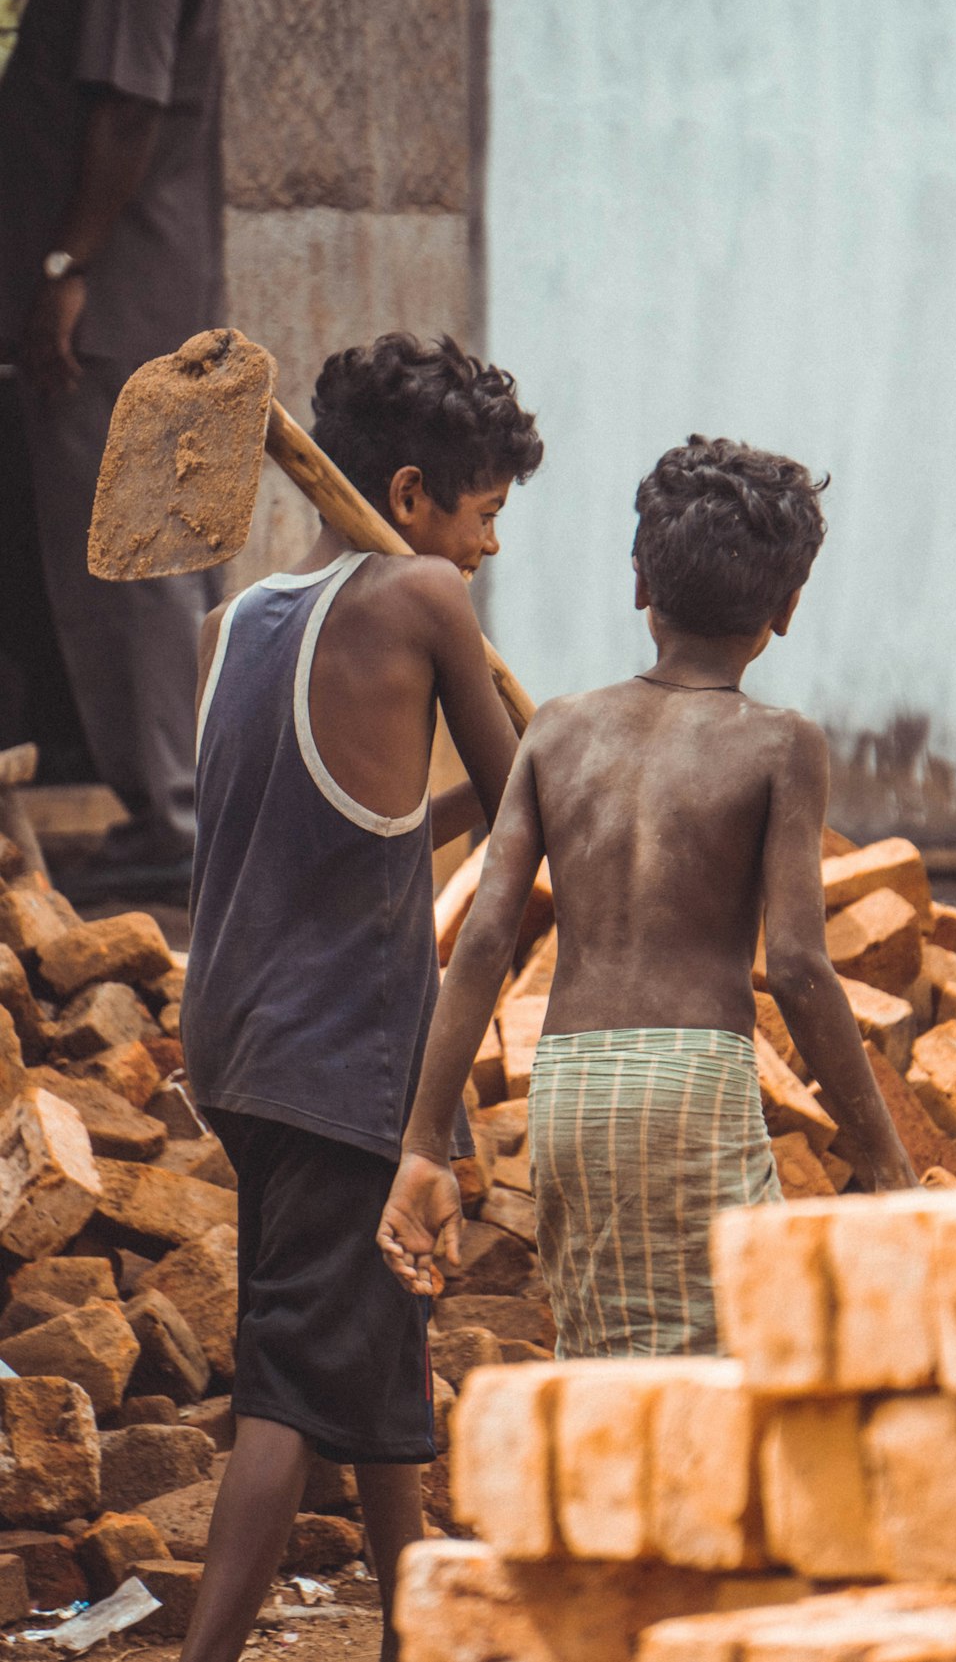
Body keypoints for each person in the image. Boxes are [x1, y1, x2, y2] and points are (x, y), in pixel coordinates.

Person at [377, 433, 917, 1358]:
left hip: (572, 1087)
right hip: (696, 1080)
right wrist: (883, 1151)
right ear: (785, 609)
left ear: (640, 585)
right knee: (729, 1364)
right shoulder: (782, 743)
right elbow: (793, 962)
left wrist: (425, 1140)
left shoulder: (557, 731)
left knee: (607, 1352)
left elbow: (479, 942)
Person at [178, 333, 542, 1662]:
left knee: (377, 1346)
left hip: (235, 1046)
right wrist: (553, 752)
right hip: (347, 1058)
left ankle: (421, 1636)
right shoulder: (424, 601)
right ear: (408, 495)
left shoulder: (232, 629)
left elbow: (362, 828)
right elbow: (519, 809)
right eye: (486, 513)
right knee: (289, 1377)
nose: (489, 549)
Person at [0, 0, 224, 893]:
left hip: (118, 301)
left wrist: (65, 267)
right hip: (152, 295)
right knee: (160, 550)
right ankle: (174, 815)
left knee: (136, 557)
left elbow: (129, 103)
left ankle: (171, 826)